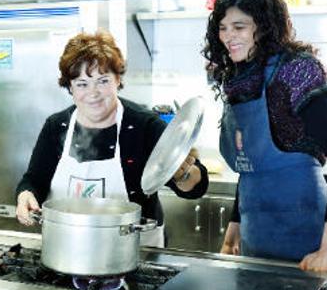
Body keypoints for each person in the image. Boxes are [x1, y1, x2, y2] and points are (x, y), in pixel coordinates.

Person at [202, 0, 327, 272]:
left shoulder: (296, 70)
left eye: (239, 26)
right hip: (257, 245)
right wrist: (233, 233)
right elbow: (251, 164)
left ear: (264, 25)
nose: (228, 37)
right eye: (222, 28)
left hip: (311, 248)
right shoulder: (239, 79)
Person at [16, 30, 208, 247]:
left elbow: (195, 188)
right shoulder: (56, 125)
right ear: (70, 87)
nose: (93, 92)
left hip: (133, 252)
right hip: (68, 248)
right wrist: (25, 196)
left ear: (118, 79)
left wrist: (184, 173)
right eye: (81, 84)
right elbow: (34, 180)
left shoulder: (144, 125)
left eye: (103, 80)